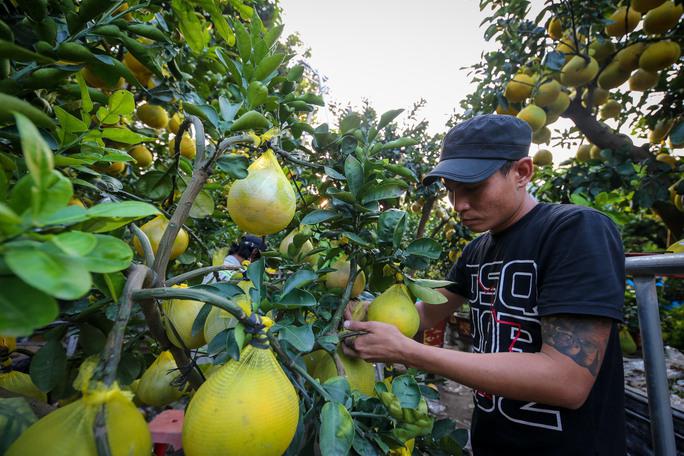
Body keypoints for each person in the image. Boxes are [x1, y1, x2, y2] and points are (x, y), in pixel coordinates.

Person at [343, 114, 626, 455]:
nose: (459, 205)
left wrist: (410, 352)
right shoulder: (477, 250)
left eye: (473, 188)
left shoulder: (574, 230)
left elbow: (567, 379)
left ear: (522, 172)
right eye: (450, 191)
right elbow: (424, 314)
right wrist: (360, 313)